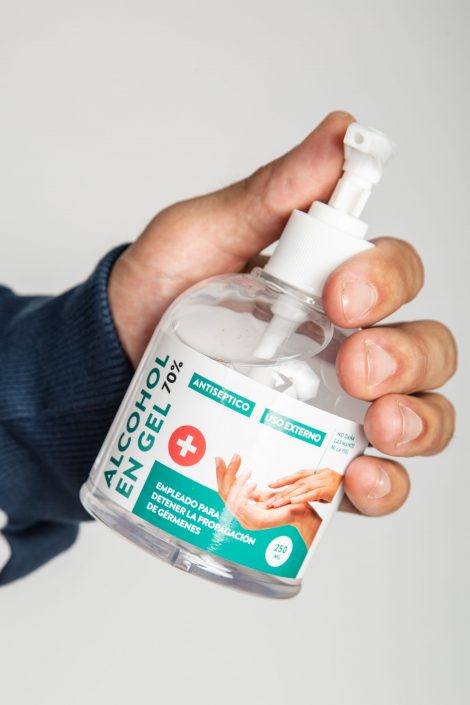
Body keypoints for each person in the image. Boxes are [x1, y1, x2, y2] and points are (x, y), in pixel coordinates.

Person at [0, 112, 457, 585]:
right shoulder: (212, 299)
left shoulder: (326, 351)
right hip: (107, 474)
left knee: (366, 375)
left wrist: (87, 353)